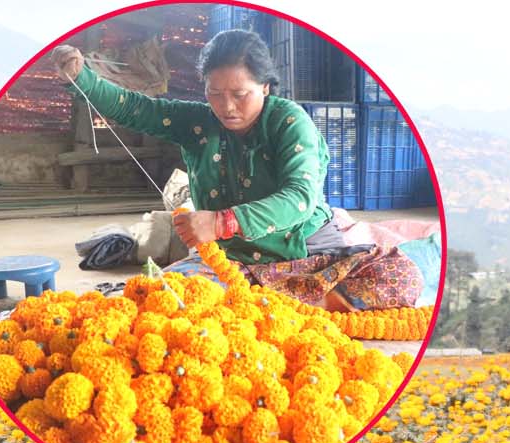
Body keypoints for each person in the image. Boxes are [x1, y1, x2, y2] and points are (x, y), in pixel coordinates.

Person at [50, 31, 420, 312]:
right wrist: (82, 78)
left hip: (304, 254)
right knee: (160, 296)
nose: (226, 107)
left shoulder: (290, 122)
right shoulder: (197, 122)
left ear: (265, 87)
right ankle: (273, 305)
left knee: (401, 277)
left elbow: (299, 198)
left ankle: (298, 306)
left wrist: (222, 222)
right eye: (214, 93)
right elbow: (135, 108)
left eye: (240, 94)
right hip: (233, 261)